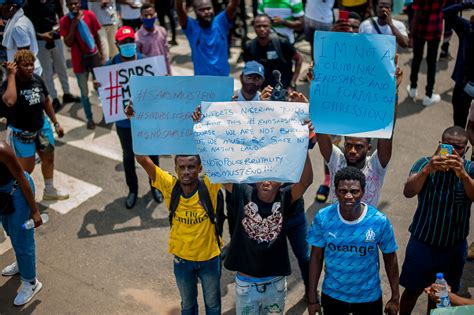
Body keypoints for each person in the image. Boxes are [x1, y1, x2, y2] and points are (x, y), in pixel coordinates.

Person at [223, 141, 313, 313]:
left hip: (275, 285)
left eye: (272, 176)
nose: (266, 181)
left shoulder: (286, 198)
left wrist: (303, 144)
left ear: (282, 182)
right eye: (260, 175)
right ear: (252, 180)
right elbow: (220, 173)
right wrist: (205, 132)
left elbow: (306, 181)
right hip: (246, 285)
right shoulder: (243, 193)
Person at [399, 126, 474, 315]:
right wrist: (428, 169)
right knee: (411, 291)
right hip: (422, 244)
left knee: (442, 297)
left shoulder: (471, 170)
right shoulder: (424, 163)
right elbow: (408, 191)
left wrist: (463, 175)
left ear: (466, 150)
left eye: (458, 148)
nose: (453, 152)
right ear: (440, 145)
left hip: (453, 248)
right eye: (449, 147)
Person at [134, 153, 222, 314]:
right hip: (182, 261)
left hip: (209, 259)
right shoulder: (169, 185)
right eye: (181, 167)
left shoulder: (210, 186)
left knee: (213, 305)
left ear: (200, 168)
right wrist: (138, 130)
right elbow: (142, 159)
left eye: (191, 167)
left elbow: (224, 160)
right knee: (188, 307)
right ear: (175, 169)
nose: (186, 171)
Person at [307, 167, 399, 315]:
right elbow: (316, 257)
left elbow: (390, 257)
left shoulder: (379, 221)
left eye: (354, 191)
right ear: (335, 192)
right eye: (343, 191)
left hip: (369, 297)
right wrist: (312, 299)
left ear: (363, 192)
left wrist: (395, 297)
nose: (348, 196)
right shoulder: (323, 218)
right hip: (333, 296)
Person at [97, 26, 163, 208]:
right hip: (124, 123)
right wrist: (99, 84)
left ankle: (155, 186)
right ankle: (132, 189)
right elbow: (106, 92)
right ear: (117, 44)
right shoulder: (110, 66)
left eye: (130, 41)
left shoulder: (146, 63)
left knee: (153, 155)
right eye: (124, 42)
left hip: (147, 120)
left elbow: (157, 90)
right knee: (128, 156)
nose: (128, 45)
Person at [1, 50, 68, 200]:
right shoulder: (10, 83)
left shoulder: (37, 79)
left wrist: (56, 123)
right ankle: (21, 200)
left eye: (31, 64)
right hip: (21, 134)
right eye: (25, 65)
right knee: (25, 171)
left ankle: (49, 190)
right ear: (17, 66)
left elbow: (47, 101)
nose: (30, 68)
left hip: (41, 128)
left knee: (49, 158)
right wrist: (11, 75)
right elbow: (10, 101)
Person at [0, 141, 44, 306]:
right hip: (2, 194)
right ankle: (21, 264)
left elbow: (21, 176)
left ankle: (31, 283)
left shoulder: (2, 150)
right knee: (10, 231)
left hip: (18, 191)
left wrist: (34, 211)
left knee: (22, 239)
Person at [24, 0, 81, 112]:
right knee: (47, 71)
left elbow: (61, 16)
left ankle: (66, 93)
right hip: (40, 40)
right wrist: (41, 35)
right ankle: (54, 98)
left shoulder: (54, 1)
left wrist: (58, 30)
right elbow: (27, 26)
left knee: (62, 67)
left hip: (55, 37)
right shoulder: (29, 4)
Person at [60, 0, 104, 130]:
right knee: (84, 92)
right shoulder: (64, 21)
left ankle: (107, 113)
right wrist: (74, 25)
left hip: (94, 56)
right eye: (70, 4)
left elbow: (96, 36)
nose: (73, 6)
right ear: (66, 6)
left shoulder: (90, 15)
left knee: (102, 87)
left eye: (76, 3)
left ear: (80, 3)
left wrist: (102, 54)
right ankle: (89, 118)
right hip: (79, 60)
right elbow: (68, 42)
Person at [175, 0, 239, 76]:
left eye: (209, 8)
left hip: (223, 80)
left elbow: (234, 5)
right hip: (203, 82)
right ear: (195, 11)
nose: (206, 12)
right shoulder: (191, 27)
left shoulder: (221, 22)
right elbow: (179, 10)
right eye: (201, 10)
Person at [243, 14, 302, 91]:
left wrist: (292, 83)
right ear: (253, 27)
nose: (262, 29)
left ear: (270, 26)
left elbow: (299, 59)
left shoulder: (282, 43)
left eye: (265, 26)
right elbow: (248, 71)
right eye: (258, 26)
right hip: (263, 92)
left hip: (284, 89)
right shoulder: (250, 46)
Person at [406, 0, 445, 107]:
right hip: (436, 28)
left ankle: (413, 88)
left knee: (416, 59)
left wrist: (411, 34)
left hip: (421, 30)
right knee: (432, 62)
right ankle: (428, 95)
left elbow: (417, 14)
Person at [443, 1, 474, 128]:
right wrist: (467, 3)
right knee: (458, 127)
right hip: (463, 85)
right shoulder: (467, 28)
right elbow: (446, 13)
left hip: (465, 84)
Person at [1, 0, 42, 76]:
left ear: (12, 7)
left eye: (3, 4)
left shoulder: (18, 27)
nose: (1, 7)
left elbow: (24, 57)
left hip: (25, 74)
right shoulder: (17, 21)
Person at [135, 3, 172, 75]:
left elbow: (166, 55)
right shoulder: (136, 37)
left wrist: (169, 73)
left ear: (155, 15)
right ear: (141, 17)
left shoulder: (162, 31)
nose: (149, 17)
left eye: (151, 15)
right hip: (149, 74)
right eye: (146, 15)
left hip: (163, 71)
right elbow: (137, 61)